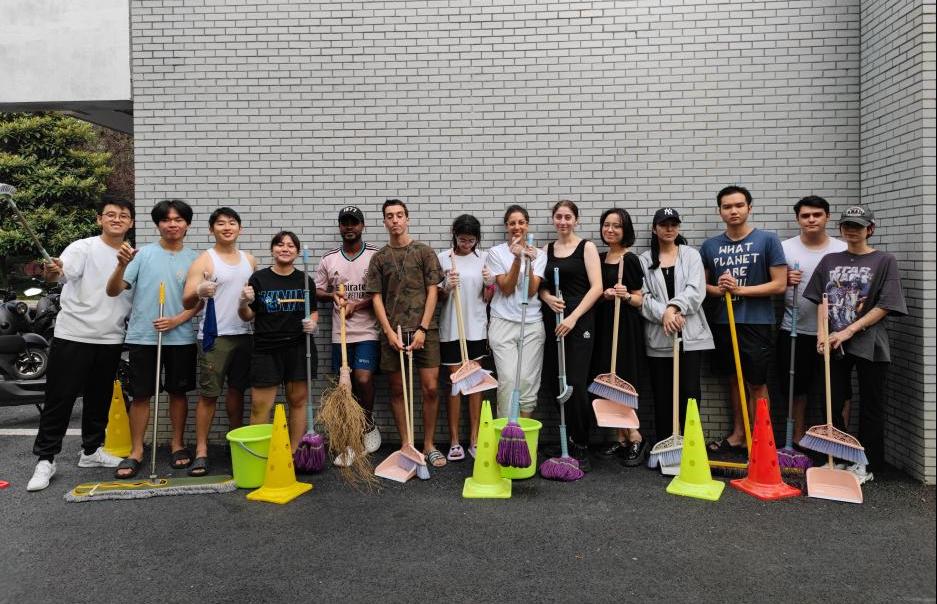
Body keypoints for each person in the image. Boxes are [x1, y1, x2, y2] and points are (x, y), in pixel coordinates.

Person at [27, 199, 136, 491]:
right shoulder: (82, 248)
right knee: (59, 399)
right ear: (100, 219)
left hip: (111, 336)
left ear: (131, 223)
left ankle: (91, 451)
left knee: (99, 398)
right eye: (110, 215)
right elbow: (58, 273)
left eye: (123, 216)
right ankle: (46, 459)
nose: (116, 219)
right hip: (73, 335)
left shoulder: (132, 255)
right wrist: (52, 269)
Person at [803, 205, 907, 484]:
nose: (852, 230)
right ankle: (838, 457)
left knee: (871, 404)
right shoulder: (830, 260)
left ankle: (867, 464)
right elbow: (822, 300)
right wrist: (821, 335)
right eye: (847, 225)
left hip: (869, 343)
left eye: (858, 226)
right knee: (831, 401)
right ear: (841, 228)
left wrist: (848, 331)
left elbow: (886, 304)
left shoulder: (884, 260)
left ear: (870, 229)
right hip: (834, 343)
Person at [107, 199, 202, 479]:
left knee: (178, 392)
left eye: (178, 219)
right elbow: (114, 290)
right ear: (157, 224)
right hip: (143, 336)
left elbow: (199, 301)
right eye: (166, 220)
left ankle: (177, 445)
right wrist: (120, 266)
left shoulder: (196, 259)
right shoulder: (141, 255)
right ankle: (136, 450)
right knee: (141, 394)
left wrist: (177, 320)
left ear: (187, 224)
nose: (172, 224)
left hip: (181, 337)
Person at [699, 185, 787, 454]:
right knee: (733, 380)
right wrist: (720, 289)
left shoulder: (768, 240)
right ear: (720, 211)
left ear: (749, 207)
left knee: (756, 382)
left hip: (756, 322)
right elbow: (702, 286)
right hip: (724, 321)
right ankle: (739, 434)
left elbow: (779, 284)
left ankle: (761, 441)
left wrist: (739, 290)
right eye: (727, 206)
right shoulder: (710, 246)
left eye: (739, 205)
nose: (733, 211)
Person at [365, 200, 446, 468]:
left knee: (430, 388)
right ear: (384, 222)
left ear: (407, 219)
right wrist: (388, 332)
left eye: (400, 215)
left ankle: (429, 445)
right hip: (393, 333)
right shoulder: (379, 258)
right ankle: (406, 444)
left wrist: (423, 328)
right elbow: (375, 297)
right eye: (390, 216)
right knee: (397, 389)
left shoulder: (424, 252)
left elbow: (433, 291)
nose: (395, 220)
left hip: (425, 332)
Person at [181, 207, 256, 477]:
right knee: (209, 395)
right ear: (211, 229)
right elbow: (186, 300)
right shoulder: (204, 260)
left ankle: (235, 443)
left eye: (232, 223)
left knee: (238, 391)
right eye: (221, 223)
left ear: (240, 228)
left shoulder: (249, 260)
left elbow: (255, 299)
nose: (227, 227)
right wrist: (199, 291)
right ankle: (201, 451)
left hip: (244, 334)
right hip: (215, 336)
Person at [639, 207, 713, 456]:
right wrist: (665, 314)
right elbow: (643, 298)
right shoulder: (644, 260)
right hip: (660, 337)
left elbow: (696, 290)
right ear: (654, 229)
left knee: (690, 393)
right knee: (663, 395)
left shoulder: (690, 255)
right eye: (664, 224)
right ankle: (666, 449)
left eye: (673, 224)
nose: (669, 229)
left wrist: (673, 308)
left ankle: (691, 446)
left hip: (689, 335)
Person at [539, 200, 604, 471]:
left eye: (568, 217)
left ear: (576, 220)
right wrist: (547, 297)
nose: (563, 221)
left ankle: (581, 443)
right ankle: (566, 440)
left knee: (574, 383)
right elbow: (540, 285)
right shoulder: (546, 250)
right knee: (554, 382)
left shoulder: (586, 247)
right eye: (559, 217)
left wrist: (573, 317)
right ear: (553, 219)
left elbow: (597, 287)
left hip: (579, 321)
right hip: (553, 320)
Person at [777, 196, 846, 448]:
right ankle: (797, 441)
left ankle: (839, 444)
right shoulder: (785, 248)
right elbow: (772, 282)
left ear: (827, 217)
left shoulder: (841, 249)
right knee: (797, 389)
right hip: (794, 329)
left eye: (817, 215)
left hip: (836, 332)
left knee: (838, 391)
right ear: (798, 219)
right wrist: (784, 280)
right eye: (805, 216)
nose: (811, 220)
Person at [315, 206, 382, 466]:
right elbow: (318, 290)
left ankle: (368, 424)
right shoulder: (329, 259)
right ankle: (351, 437)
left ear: (362, 226)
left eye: (354, 222)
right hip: (340, 333)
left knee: (363, 378)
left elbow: (383, 292)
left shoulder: (375, 255)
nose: (349, 227)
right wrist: (332, 296)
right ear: (340, 227)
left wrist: (358, 304)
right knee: (345, 385)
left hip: (367, 331)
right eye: (345, 223)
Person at [238, 231, 317, 449]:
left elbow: (313, 311)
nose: (285, 249)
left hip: (299, 348)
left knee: (298, 401)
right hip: (266, 349)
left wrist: (312, 323)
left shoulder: (305, 280)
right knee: (260, 405)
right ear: (272, 249)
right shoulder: (259, 279)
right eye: (280, 244)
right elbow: (247, 316)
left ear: (297, 252)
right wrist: (243, 302)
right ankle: (259, 453)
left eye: (291, 246)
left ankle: (294, 452)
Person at [589, 208, 648, 467]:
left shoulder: (630, 260)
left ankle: (636, 436)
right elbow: (593, 292)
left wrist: (625, 296)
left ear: (626, 230)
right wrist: (604, 295)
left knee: (623, 378)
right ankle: (620, 437)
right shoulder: (599, 258)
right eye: (606, 225)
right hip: (603, 325)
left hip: (624, 327)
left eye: (616, 226)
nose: (610, 230)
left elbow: (640, 299)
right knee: (607, 377)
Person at [436, 214, 494, 461]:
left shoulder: (484, 258)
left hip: (476, 328)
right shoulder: (443, 258)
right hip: (451, 329)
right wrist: (446, 286)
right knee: (455, 384)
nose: (467, 244)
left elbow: (488, 297)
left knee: (474, 384)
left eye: (471, 240)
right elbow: (436, 297)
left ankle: (474, 439)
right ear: (455, 236)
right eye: (462, 239)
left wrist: (490, 284)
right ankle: (454, 441)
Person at [486, 205, 546, 421]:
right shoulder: (496, 253)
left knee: (528, 381)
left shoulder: (539, 254)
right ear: (506, 226)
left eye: (521, 222)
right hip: (503, 322)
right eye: (512, 223)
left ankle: (524, 434)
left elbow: (531, 291)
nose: (517, 227)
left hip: (531, 324)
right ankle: (506, 431)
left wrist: (528, 260)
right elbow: (506, 288)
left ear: (527, 225)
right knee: (509, 380)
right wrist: (517, 259)